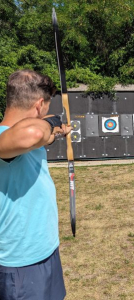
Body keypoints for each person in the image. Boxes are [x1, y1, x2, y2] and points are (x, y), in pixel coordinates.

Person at [0, 69, 71, 300]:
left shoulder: (24, 140)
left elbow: (44, 137)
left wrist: (60, 132)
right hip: (19, 264)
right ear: (40, 104)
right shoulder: (5, 137)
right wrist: (53, 121)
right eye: (47, 108)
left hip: (44, 251)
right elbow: (34, 132)